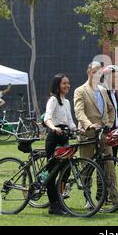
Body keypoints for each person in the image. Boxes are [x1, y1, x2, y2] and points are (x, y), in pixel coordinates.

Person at [74, 61, 118, 209]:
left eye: (99, 73)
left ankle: (115, 200)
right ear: (88, 72)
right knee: (86, 168)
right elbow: (79, 112)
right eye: (94, 72)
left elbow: (112, 109)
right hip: (87, 135)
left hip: (104, 136)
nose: (96, 75)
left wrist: (109, 123)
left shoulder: (103, 90)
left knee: (110, 167)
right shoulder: (80, 90)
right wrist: (89, 124)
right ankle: (88, 200)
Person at [43, 73, 76, 215]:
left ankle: (59, 200)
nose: (67, 85)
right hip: (54, 137)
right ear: (57, 85)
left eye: (68, 83)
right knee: (52, 173)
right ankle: (53, 206)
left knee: (66, 169)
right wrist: (53, 128)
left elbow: (70, 121)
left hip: (64, 137)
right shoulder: (53, 100)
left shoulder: (67, 102)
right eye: (64, 83)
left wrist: (78, 129)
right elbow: (47, 118)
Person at [101, 64, 118, 158]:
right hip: (106, 130)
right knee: (105, 161)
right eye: (115, 77)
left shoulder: (114, 92)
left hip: (114, 131)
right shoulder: (102, 92)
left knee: (113, 159)